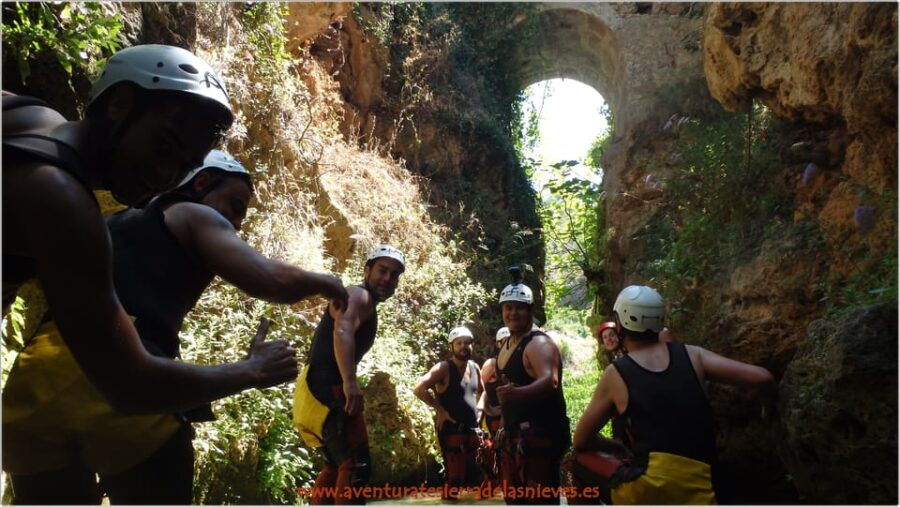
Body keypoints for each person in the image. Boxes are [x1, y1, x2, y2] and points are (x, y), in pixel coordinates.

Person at [2, 45, 300, 504]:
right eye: (164, 144)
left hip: (28, 408)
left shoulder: (27, 117)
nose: (165, 172)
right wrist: (251, 370)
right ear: (119, 104)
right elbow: (130, 386)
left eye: (183, 162)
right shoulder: (67, 204)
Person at [88, 150, 347, 503]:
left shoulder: (111, 223)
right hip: (130, 400)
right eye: (235, 206)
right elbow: (271, 280)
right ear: (202, 182)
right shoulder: (192, 214)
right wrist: (330, 284)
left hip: (36, 398)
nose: (236, 223)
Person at [572, 285, 776, 504]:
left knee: (576, 461)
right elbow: (763, 378)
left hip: (651, 492)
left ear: (620, 324)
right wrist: (768, 409)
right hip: (706, 488)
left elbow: (581, 440)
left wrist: (616, 447)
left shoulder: (617, 373)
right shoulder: (693, 355)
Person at [293, 245, 405, 505]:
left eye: (395, 275)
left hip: (313, 386)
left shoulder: (360, 298)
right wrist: (349, 382)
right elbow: (342, 331)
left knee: (336, 464)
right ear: (367, 270)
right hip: (329, 386)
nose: (387, 279)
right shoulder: (360, 296)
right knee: (356, 465)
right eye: (382, 270)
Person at [495, 268, 570, 505]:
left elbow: (550, 380)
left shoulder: (539, 343)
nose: (513, 312)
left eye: (519, 307)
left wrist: (517, 394)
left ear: (530, 310)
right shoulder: (507, 343)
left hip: (540, 438)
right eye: (508, 307)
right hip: (516, 438)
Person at [413, 326, 484, 500]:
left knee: (483, 472)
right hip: (452, 428)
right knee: (455, 478)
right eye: (459, 343)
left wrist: (481, 408)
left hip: (472, 428)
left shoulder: (474, 367)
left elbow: (483, 391)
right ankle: (448, 501)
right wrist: (440, 410)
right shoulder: (443, 368)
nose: (463, 347)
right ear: (451, 347)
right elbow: (419, 388)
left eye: (467, 343)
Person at [476, 326, 509, 485]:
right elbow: (479, 387)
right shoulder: (492, 364)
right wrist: (479, 411)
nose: (508, 343)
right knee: (494, 450)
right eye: (504, 341)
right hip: (492, 415)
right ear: (498, 344)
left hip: (510, 414)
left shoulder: (519, 361)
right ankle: (491, 479)